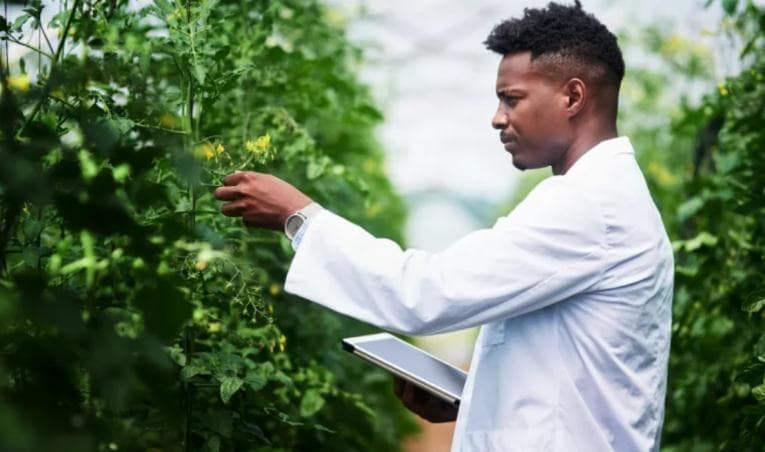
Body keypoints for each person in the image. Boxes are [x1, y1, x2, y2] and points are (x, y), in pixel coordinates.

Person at [213, 1, 674, 450]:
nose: (498, 118)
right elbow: (572, 376)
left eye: (511, 99)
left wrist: (299, 217)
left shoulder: (588, 203)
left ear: (573, 96)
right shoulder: (606, 195)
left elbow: (427, 292)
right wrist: (470, 397)